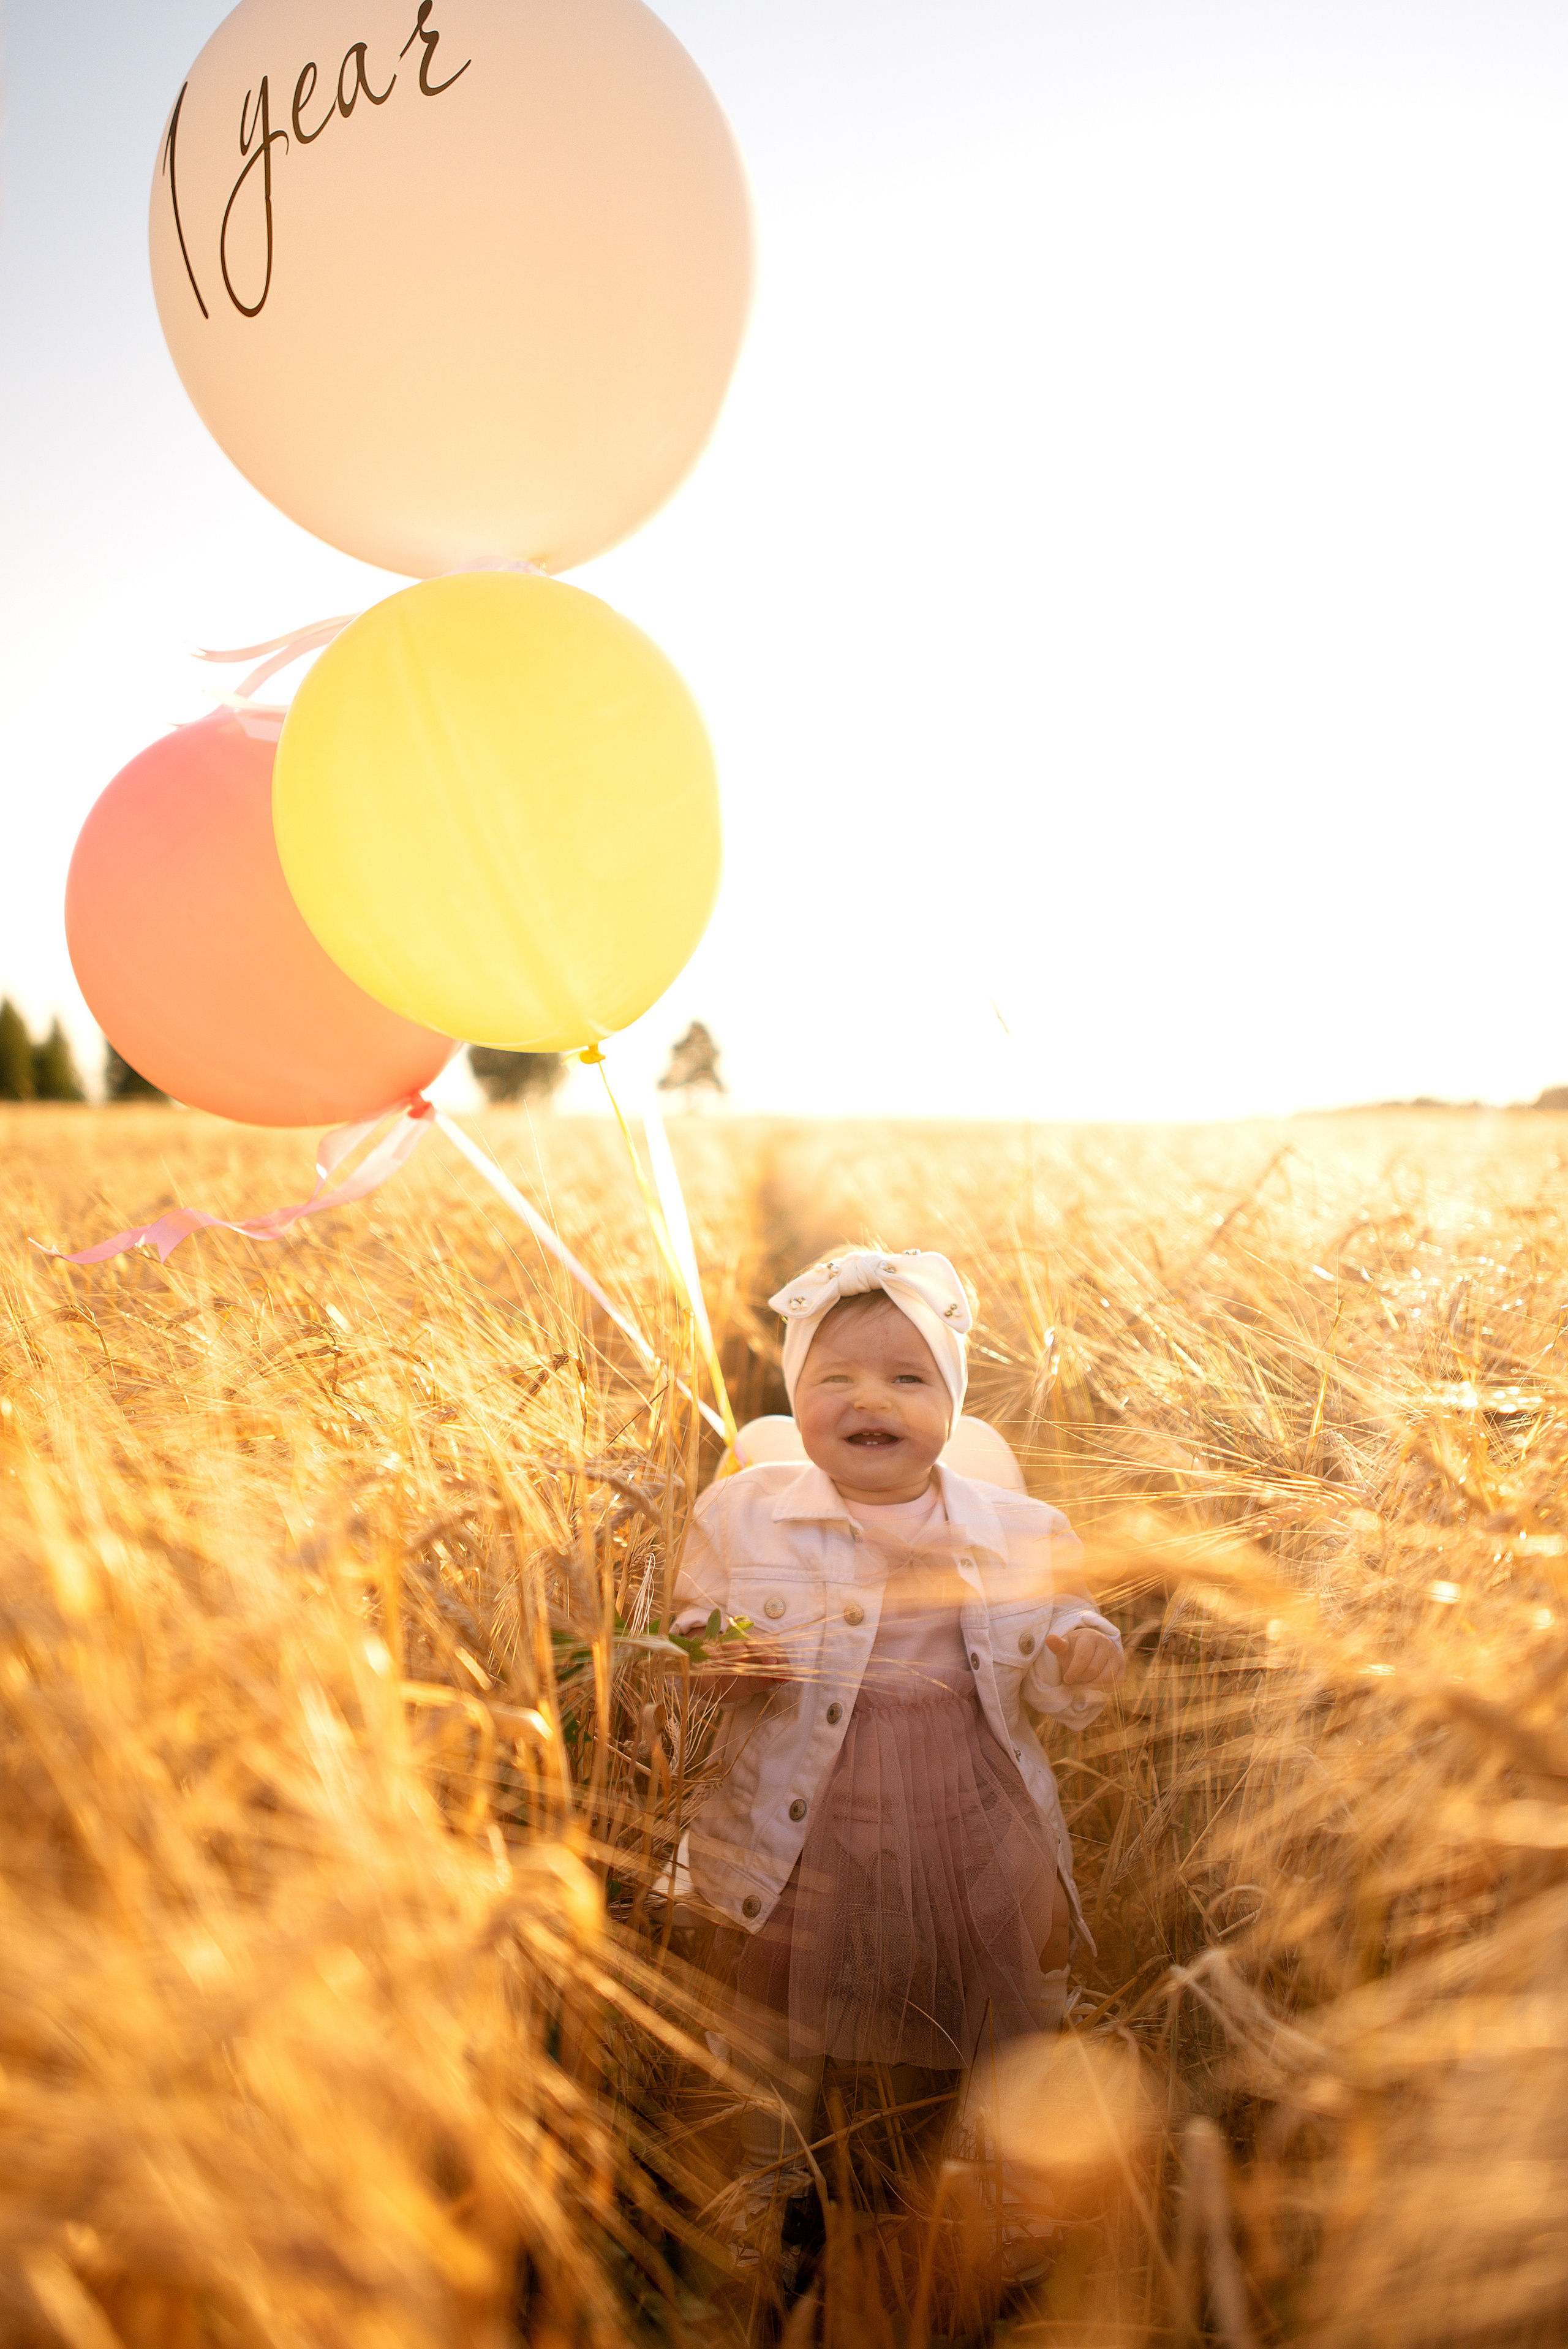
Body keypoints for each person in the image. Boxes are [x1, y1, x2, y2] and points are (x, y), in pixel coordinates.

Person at [670, 1248, 1124, 2269]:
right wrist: (720, 1656)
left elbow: (1064, 1659)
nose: (870, 1399)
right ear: (797, 1394)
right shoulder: (742, 1513)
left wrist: (1081, 1652)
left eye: (909, 1378)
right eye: (835, 1377)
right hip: (803, 1799)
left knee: (1001, 1977)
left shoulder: (1019, 1527)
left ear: (952, 1405)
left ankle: (1002, 2171)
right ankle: (769, 2164)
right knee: (769, 1978)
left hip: (970, 1795)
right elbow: (689, 1634)